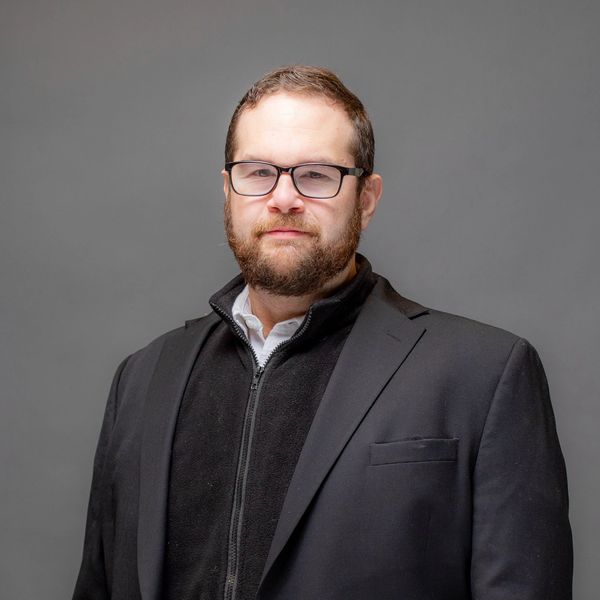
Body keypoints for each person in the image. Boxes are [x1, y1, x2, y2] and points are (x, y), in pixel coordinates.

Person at [73, 65, 572, 600]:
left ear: (367, 199)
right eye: (258, 172)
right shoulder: (143, 379)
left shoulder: (484, 375)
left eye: (315, 174)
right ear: (228, 191)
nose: (283, 198)